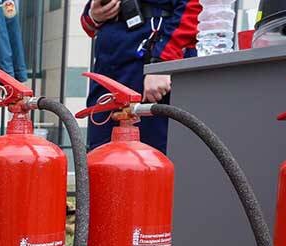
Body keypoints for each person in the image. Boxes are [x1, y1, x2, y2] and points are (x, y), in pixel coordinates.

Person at [81, 0, 201, 152]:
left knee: (151, 153)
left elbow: (193, 8)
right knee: (100, 150)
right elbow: (90, 22)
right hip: (108, 60)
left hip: (151, 59)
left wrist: (162, 64)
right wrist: (92, 16)